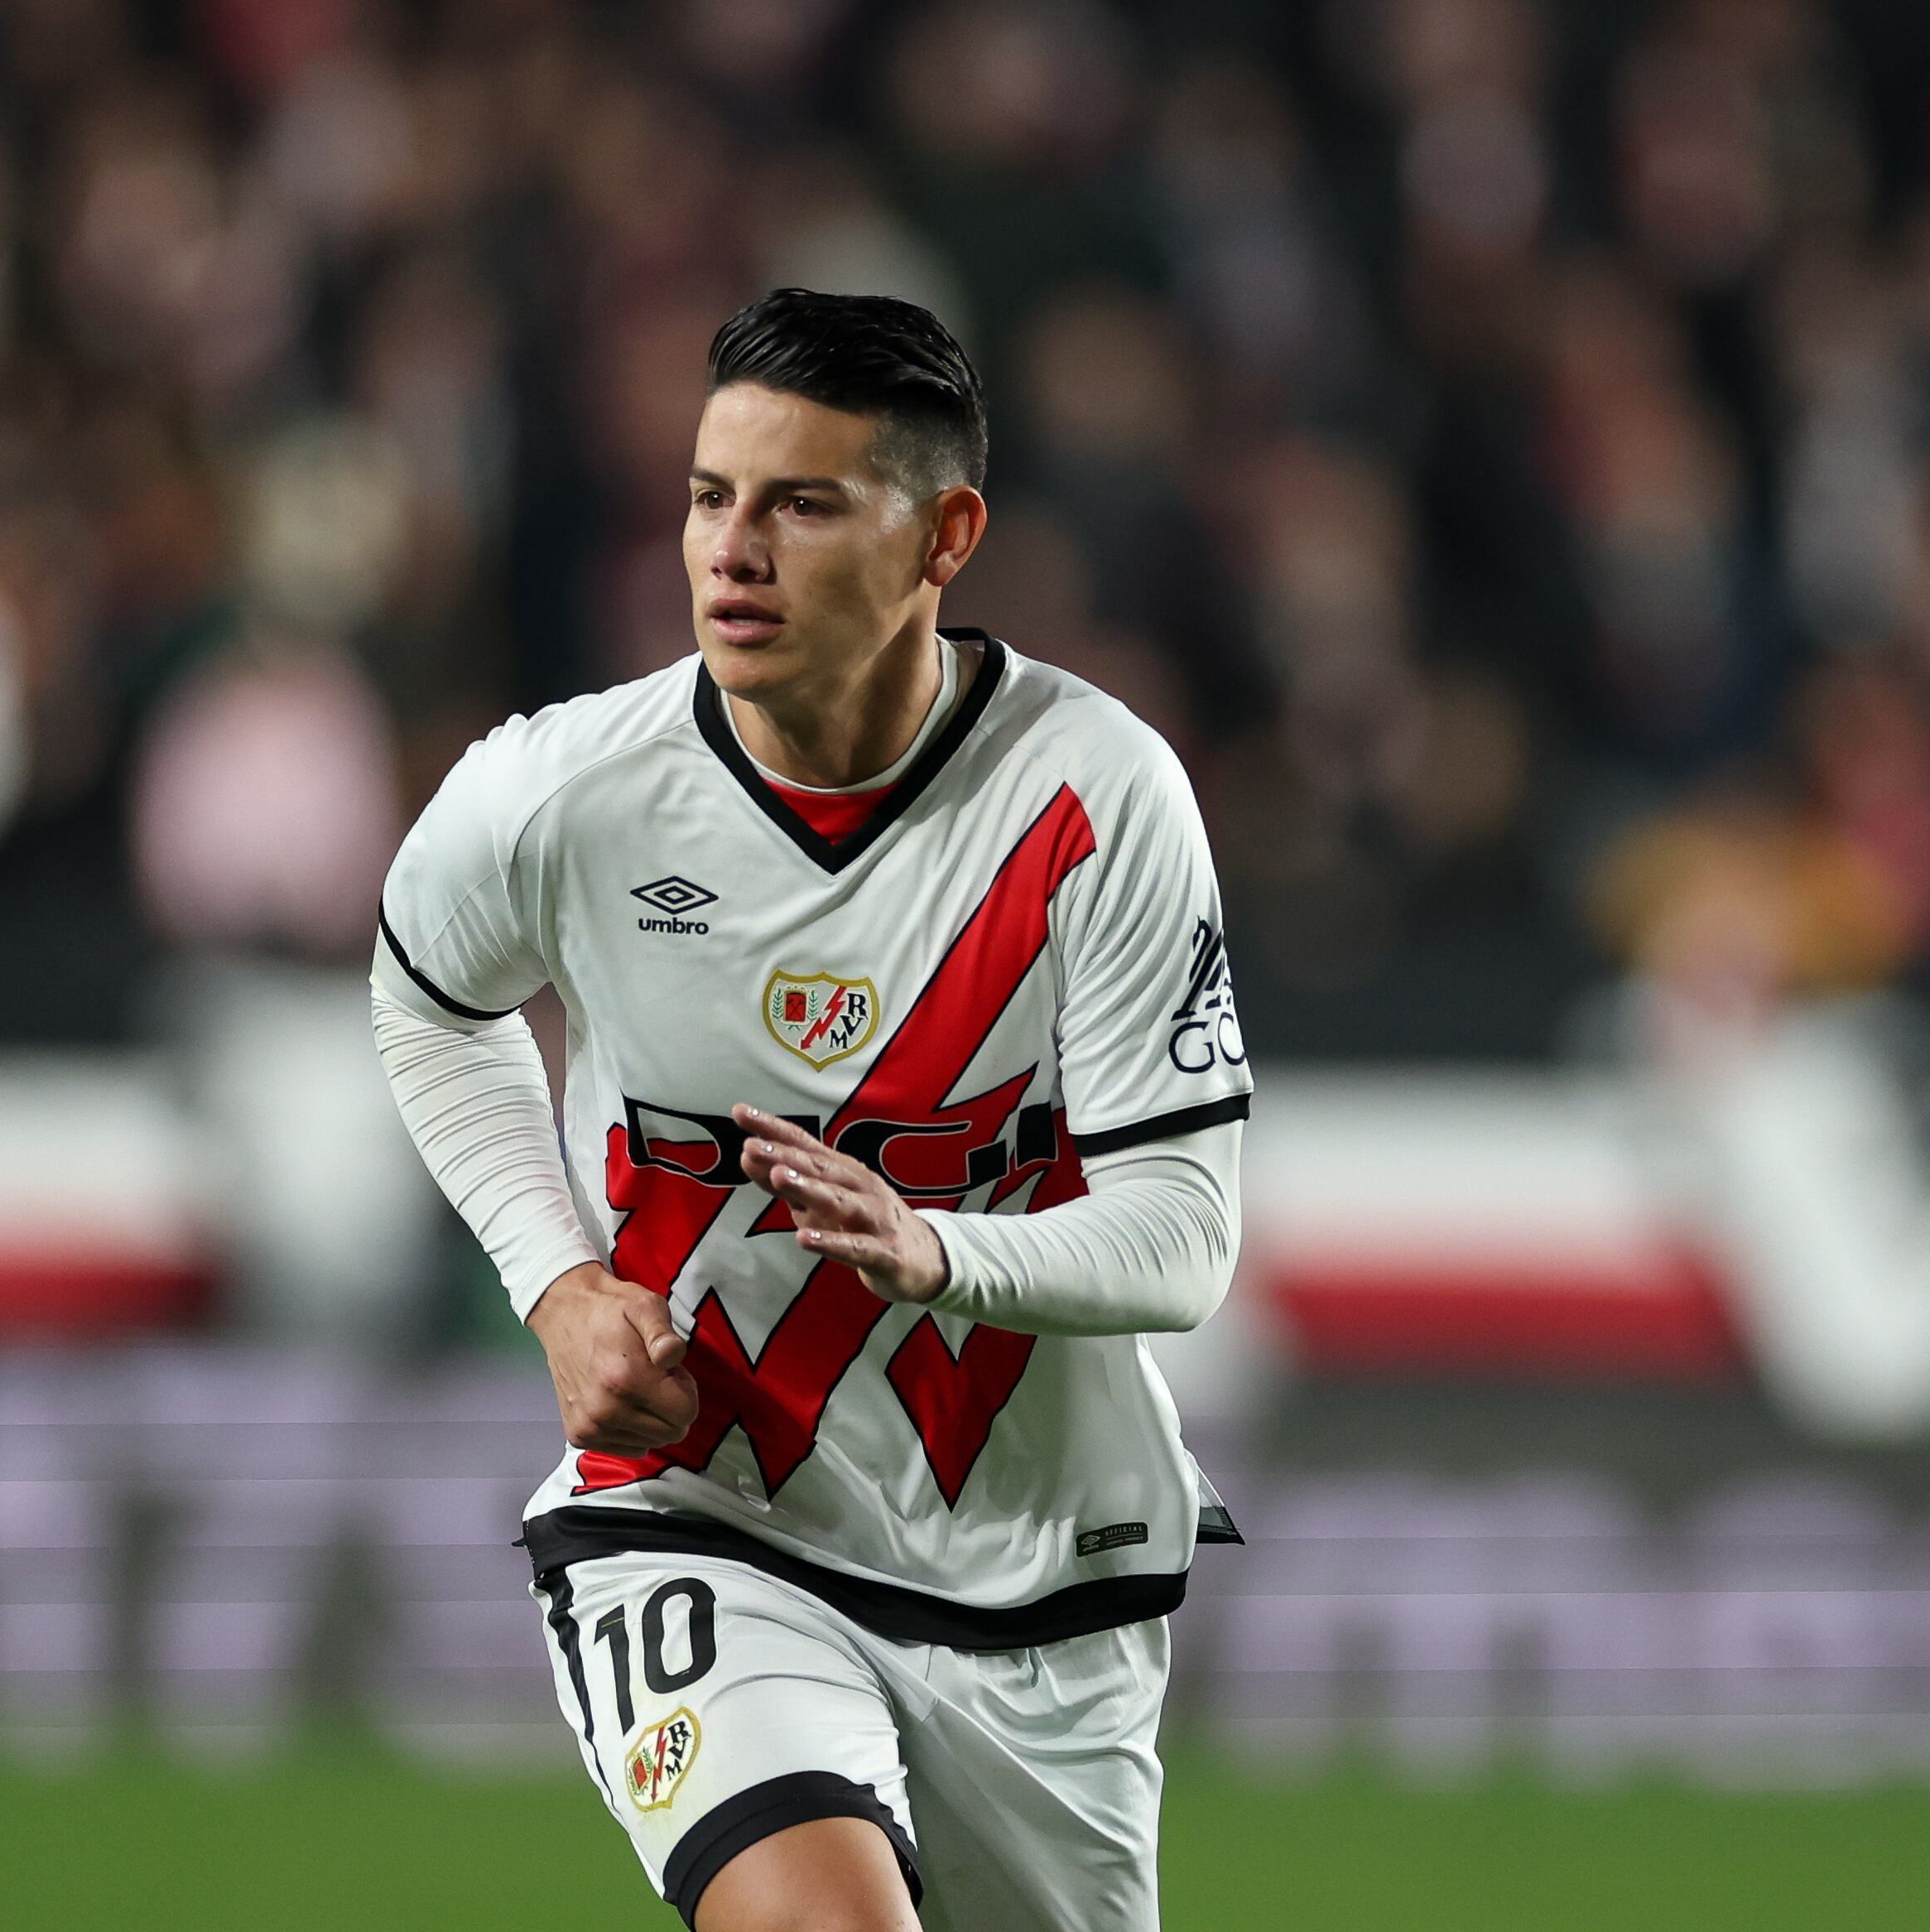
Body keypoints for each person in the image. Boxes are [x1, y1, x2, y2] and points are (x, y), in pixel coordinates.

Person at [371, 289, 1249, 1932]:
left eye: (801, 501)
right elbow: (428, 999)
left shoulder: (1094, 799)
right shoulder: (563, 796)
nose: (732, 549)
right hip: (701, 1516)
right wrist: (554, 1282)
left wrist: (940, 1250)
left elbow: (1180, 1238)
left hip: (1039, 1572)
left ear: (943, 534)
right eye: (711, 495)